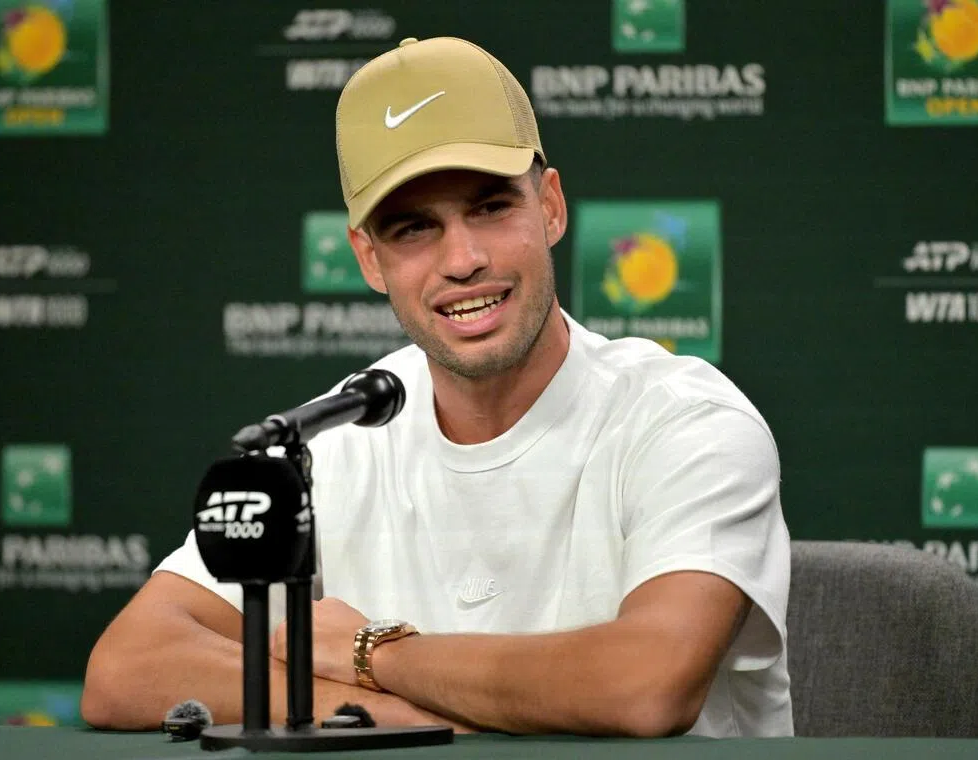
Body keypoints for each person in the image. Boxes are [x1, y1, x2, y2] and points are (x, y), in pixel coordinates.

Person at [81, 35, 793, 738]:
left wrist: (375, 653)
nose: (463, 259)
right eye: (414, 228)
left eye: (490, 208)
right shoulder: (333, 441)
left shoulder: (685, 421)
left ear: (549, 205)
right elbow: (127, 667)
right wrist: (389, 717)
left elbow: (646, 687)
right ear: (367, 257)